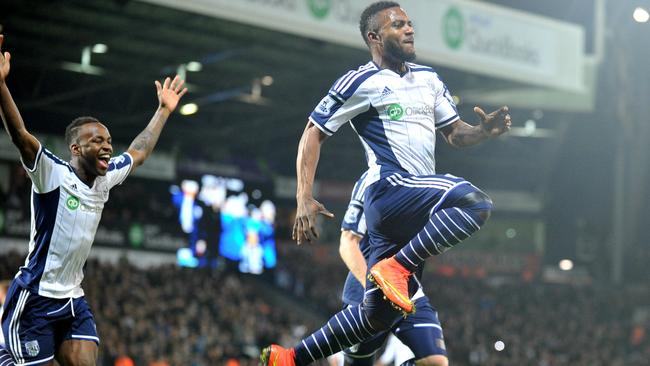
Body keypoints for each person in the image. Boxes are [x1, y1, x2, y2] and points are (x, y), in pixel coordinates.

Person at [261, 2, 511, 365]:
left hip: (414, 217)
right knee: (474, 203)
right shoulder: (360, 81)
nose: (409, 29)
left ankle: (290, 359)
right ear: (374, 37)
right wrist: (304, 196)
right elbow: (313, 132)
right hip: (389, 191)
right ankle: (396, 266)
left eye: (409, 23)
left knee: (375, 319)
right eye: (398, 25)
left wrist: (482, 132)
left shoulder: (429, 79)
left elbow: (455, 134)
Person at [0, 34, 187, 366]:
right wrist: (1, 85)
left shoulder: (105, 178)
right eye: (97, 141)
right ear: (75, 149)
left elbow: (139, 151)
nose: (107, 146)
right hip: (35, 300)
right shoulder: (52, 174)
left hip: (72, 299)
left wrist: (163, 110)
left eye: (109, 141)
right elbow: (20, 135)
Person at [337, 173, 446, 366]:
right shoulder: (372, 178)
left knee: (435, 362)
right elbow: (347, 243)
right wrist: (375, 289)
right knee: (358, 362)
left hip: (406, 293)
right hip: (365, 296)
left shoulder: (427, 181)